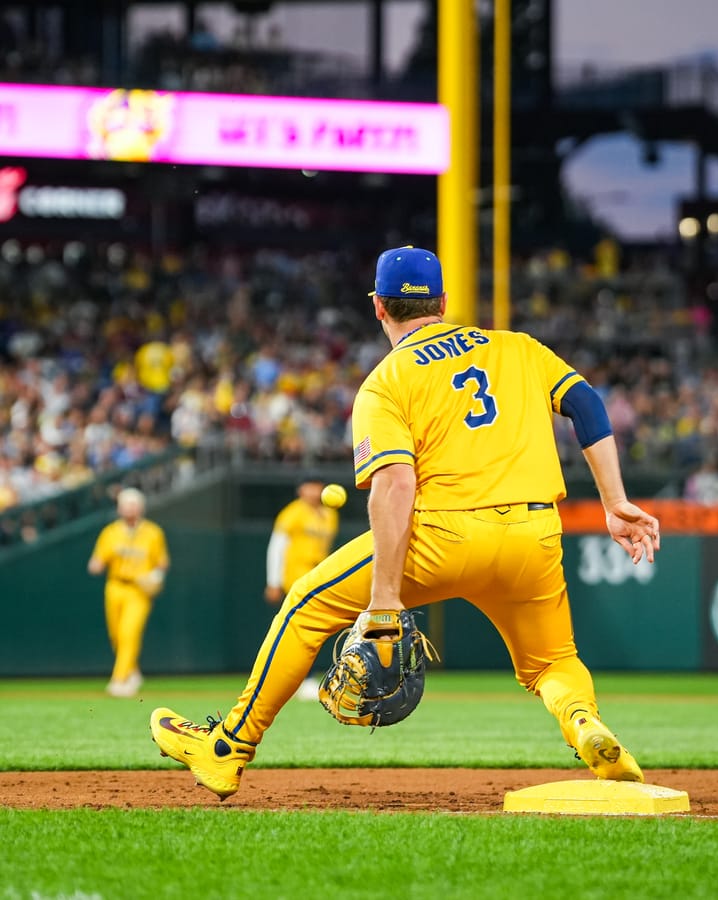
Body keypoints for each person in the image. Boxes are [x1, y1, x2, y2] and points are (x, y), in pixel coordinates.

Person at [151, 245, 660, 801]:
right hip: (532, 536)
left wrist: (386, 600)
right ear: (442, 302)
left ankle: (226, 748)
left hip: (441, 536)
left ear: (378, 308)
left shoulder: (385, 382)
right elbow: (586, 404)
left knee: (305, 604)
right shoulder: (518, 349)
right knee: (553, 662)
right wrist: (614, 501)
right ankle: (584, 723)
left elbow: (395, 486)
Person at [89, 487, 170, 697]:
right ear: (119, 508)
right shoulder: (111, 532)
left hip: (138, 589)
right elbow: (97, 561)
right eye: (125, 504)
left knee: (129, 632)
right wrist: (96, 564)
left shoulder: (153, 532)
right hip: (115, 585)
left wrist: (155, 577)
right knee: (116, 634)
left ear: (141, 508)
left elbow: (162, 563)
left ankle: (119, 679)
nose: (129, 509)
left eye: (133, 504)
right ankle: (132, 672)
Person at [265, 474, 340, 700]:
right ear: (301, 490)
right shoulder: (292, 513)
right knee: (299, 632)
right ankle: (299, 680)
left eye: (317, 486)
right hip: (296, 580)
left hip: (318, 579)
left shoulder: (330, 514)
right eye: (309, 487)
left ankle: (303, 679)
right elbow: (276, 547)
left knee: (314, 631)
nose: (314, 491)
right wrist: (273, 582)